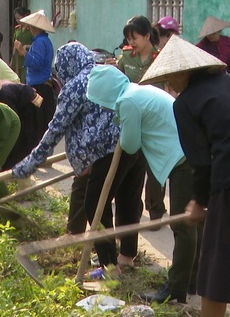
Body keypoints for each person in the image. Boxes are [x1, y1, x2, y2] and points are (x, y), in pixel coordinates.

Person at [140, 35, 230, 317]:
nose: (170, 86)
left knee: (216, 267)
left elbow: (200, 162)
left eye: (171, 78)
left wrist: (199, 201)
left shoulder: (184, 105)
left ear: (183, 73)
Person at [12, 42, 145, 271]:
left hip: (108, 151)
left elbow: (57, 129)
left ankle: (109, 266)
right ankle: (126, 256)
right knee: (128, 200)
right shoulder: (109, 72)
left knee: (96, 205)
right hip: (134, 140)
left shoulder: (75, 86)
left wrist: (30, 162)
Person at [87, 64, 201, 303]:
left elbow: (130, 145)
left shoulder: (128, 101)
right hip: (189, 152)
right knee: (191, 224)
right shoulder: (137, 91)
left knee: (183, 225)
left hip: (182, 159)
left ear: (105, 93)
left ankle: (176, 289)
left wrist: (124, 122)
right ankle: (193, 279)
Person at [115, 15, 166, 225]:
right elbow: (118, 83)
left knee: (155, 168)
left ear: (147, 36)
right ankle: (132, 211)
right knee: (131, 167)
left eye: (134, 37)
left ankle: (156, 211)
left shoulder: (161, 58)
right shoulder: (126, 58)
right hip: (132, 119)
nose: (131, 42)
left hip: (154, 120)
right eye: (128, 38)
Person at [13, 9, 56, 144]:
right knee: (40, 123)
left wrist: (22, 51)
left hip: (39, 86)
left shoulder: (40, 42)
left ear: (34, 28)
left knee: (36, 123)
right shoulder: (43, 41)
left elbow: (37, 63)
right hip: (40, 85)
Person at [10, 7, 33, 83]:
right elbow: (14, 44)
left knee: (25, 79)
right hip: (17, 59)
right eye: (16, 19)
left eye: (19, 18)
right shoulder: (17, 29)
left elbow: (35, 44)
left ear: (25, 16)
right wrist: (12, 60)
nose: (17, 21)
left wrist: (26, 46)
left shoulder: (31, 29)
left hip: (27, 56)